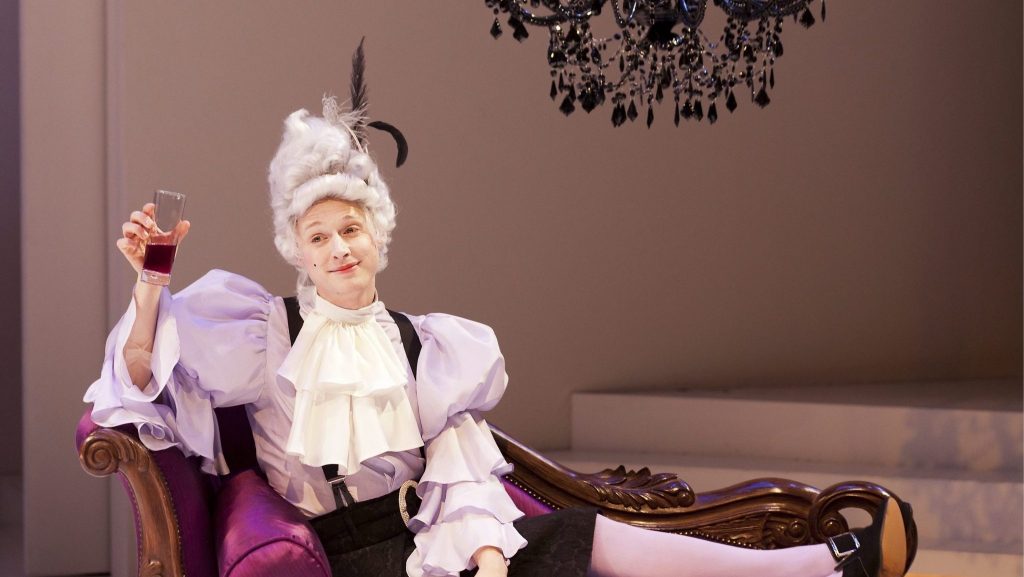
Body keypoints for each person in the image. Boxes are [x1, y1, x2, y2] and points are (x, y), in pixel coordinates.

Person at [84, 47, 914, 577]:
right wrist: (151, 284)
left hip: (428, 543)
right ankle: (818, 565)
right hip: (349, 559)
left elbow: (459, 467)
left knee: (572, 539)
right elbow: (141, 381)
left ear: (379, 236)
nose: (339, 246)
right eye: (319, 234)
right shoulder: (265, 337)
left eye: (352, 228)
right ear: (296, 248)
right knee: (574, 548)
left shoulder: (426, 345)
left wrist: (481, 550)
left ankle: (819, 563)